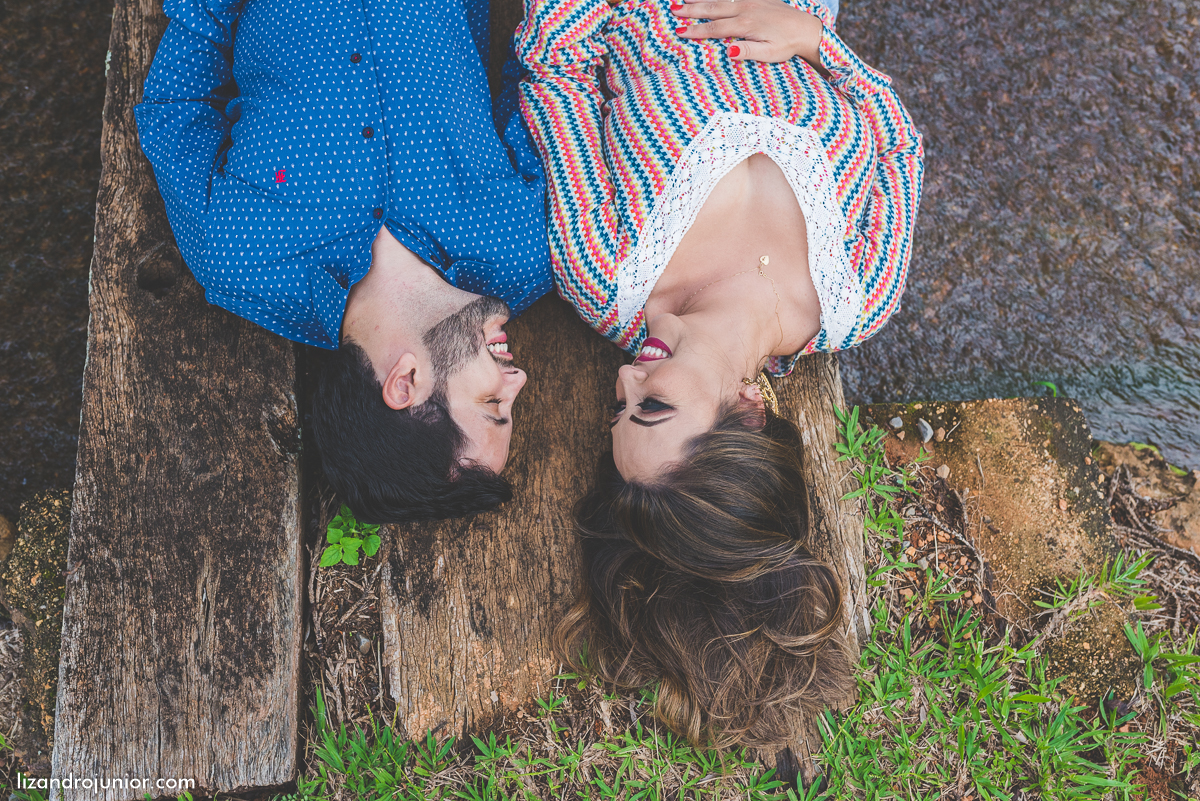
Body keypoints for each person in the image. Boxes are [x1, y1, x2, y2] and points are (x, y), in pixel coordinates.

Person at [517, 0, 923, 750]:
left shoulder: (603, 267)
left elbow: (555, 66)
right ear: (746, 413)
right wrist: (820, 45)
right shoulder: (861, 292)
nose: (625, 382)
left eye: (616, 408)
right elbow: (898, 145)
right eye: (653, 407)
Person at [135, 0, 554, 522]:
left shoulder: (240, 258)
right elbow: (545, 77)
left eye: (493, 406)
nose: (518, 382)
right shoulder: (523, 251)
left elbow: (174, 111)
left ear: (405, 383)